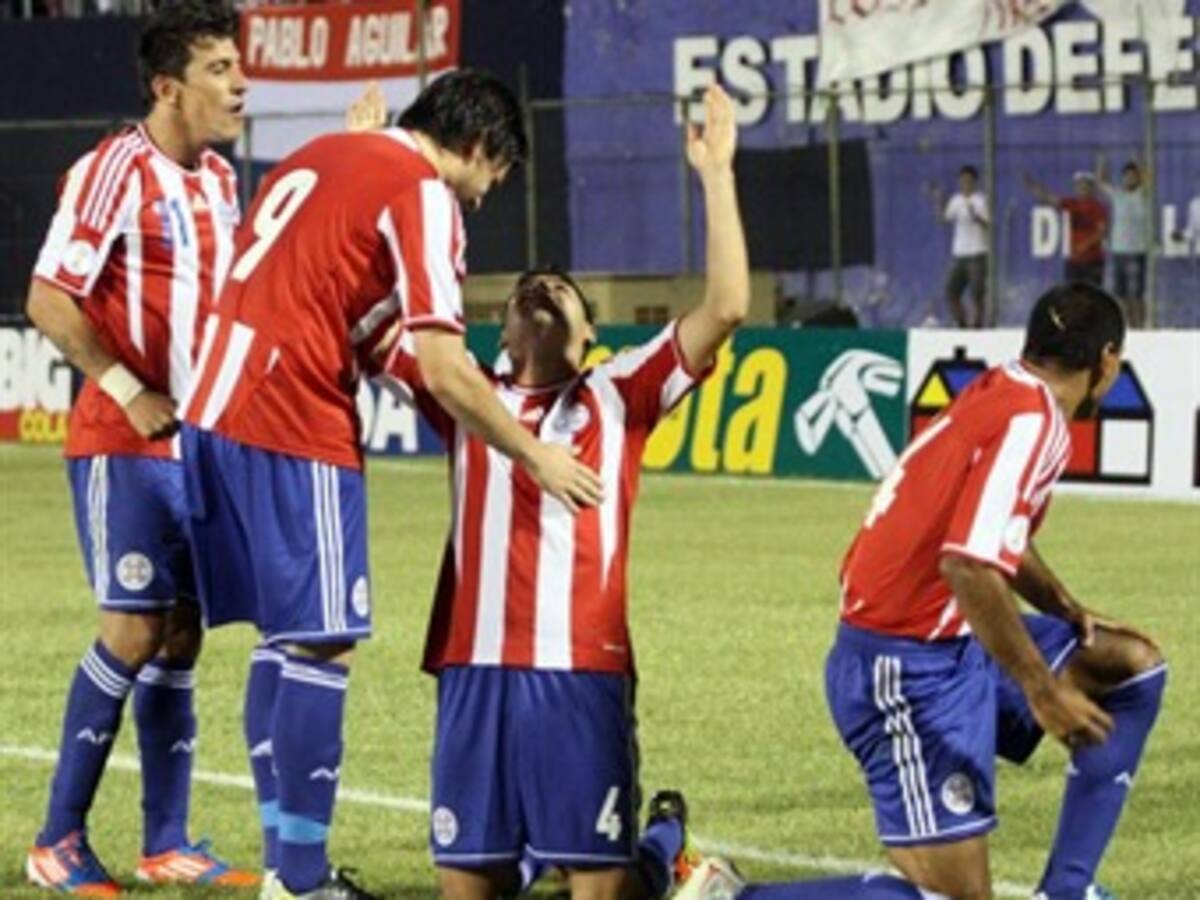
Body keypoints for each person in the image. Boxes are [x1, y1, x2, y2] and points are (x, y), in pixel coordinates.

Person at [178, 69, 604, 900]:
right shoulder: (423, 193)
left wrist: (463, 399)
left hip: (214, 404)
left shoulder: (325, 152)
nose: (484, 199)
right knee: (322, 641)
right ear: (479, 148)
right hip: (289, 415)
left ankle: (286, 869)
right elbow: (442, 366)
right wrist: (533, 452)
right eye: (494, 178)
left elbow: (364, 326)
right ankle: (300, 879)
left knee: (287, 639)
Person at [374, 83, 748, 900]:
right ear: (498, 334)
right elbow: (361, 321)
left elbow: (725, 307)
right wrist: (371, 174)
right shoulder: (463, 392)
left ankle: (659, 852)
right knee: (471, 884)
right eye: (523, 295)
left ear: (591, 340)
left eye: (563, 293)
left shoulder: (621, 394)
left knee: (598, 884)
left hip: (580, 671)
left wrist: (716, 174)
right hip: (474, 668)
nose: (541, 292)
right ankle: (657, 849)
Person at [676, 282, 1167, 900]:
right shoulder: (1036, 424)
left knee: (1131, 668)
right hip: (903, 669)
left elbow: (987, 530)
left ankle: (1067, 890)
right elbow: (967, 564)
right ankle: (730, 898)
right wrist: (1042, 690)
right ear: (1108, 362)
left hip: (952, 639)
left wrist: (1061, 606)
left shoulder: (1005, 391)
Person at [23, 2, 259, 892]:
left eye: (239, 65)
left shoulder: (221, 182)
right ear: (168, 87)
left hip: (199, 446)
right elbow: (50, 298)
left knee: (183, 635)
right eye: (218, 69)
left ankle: (167, 842)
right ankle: (57, 842)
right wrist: (128, 388)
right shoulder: (114, 169)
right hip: (123, 439)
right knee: (128, 629)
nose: (239, 83)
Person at [1025, 171, 1109, 286]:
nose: (1082, 187)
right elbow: (1049, 199)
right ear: (1076, 187)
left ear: (1091, 187)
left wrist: (1085, 244)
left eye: (1085, 184)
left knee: (1092, 297)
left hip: (1093, 261)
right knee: (1071, 296)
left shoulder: (1098, 207)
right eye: (1080, 185)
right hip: (1074, 261)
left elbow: (1102, 232)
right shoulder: (1071, 204)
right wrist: (1032, 186)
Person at [1096, 155, 1150, 327]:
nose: (1130, 179)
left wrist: (1139, 159)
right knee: (1122, 293)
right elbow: (1101, 181)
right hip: (1119, 249)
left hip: (1137, 250)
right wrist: (1102, 161)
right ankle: (1129, 326)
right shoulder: (1117, 195)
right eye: (1127, 176)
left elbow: (1149, 178)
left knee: (1137, 294)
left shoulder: (1142, 194)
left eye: (1134, 176)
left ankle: (1141, 325)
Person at [933, 165, 989, 328]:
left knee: (977, 292)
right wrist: (938, 201)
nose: (965, 184)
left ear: (974, 182)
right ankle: (962, 323)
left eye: (968, 181)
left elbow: (988, 224)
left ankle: (978, 323)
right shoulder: (956, 201)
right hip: (960, 253)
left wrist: (975, 216)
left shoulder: (980, 201)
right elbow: (944, 219)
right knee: (951, 291)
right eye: (962, 181)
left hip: (977, 253)